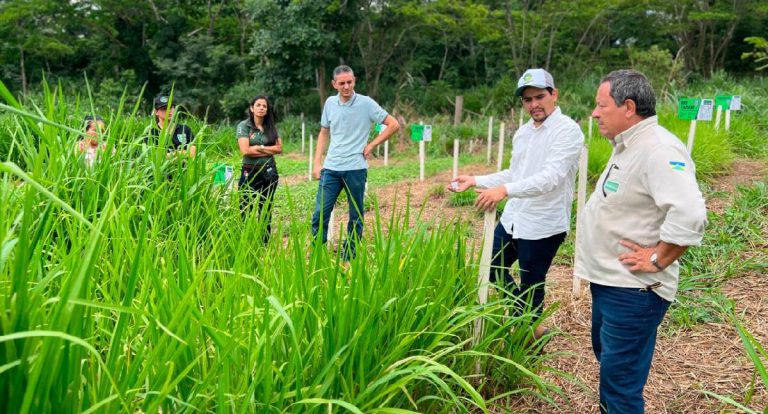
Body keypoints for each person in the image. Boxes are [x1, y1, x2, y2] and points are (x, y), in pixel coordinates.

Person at [575, 69, 707, 413]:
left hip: (633, 290)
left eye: (601, 105)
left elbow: (690, 214)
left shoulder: (658, 150)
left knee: (620, 385)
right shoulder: (628, 146)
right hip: (612, 282)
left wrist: (658, 258)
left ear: (629, 107)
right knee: (612, 369)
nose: (595, 113)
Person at [449, 68, 584, 340]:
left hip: (543, 223)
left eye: (539, 97)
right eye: (527, 100)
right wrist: (476, 180)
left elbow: (550, 178)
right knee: (491, 266)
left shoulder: (567, 131)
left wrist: (504, 191)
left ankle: (529, 343)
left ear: (554, 95)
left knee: (532, 284)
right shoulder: (523, 133)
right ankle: (531, 325)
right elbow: (515, 173)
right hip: (514, 218)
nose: (534, 104)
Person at [311, 65, 400, 259]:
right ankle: (317, 252)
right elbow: (324, 132)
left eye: (349, 82)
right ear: (334, 84)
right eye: (342, 83)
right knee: (320, 213)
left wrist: (372, 145)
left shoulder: (366, 103)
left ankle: (349, 255)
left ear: (354, 81)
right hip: (331, 168)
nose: (346, 87)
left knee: (356, 215)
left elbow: (393, 124)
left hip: (356, 169)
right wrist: (317, 162)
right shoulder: (330, 103)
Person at [236, 95, 282, 244]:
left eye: (264, 106)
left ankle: (264, 242)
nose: (261, 108)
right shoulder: (244, 126)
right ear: (252, 108)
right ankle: (245, 241)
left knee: (265, 208)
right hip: (249, 171)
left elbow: (279, 148)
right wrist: (268, 150)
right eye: (258, 105)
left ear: (267, 110)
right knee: (245, 207)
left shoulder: (271, 127)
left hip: (269, 171)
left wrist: (259, 147)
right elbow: (245, 150)